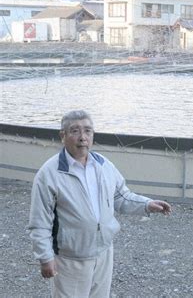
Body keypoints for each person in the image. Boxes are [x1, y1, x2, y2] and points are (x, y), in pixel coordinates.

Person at [28, 110, 171, 298]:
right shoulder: (49, 174)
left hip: (103, 253)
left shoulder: (104, 165)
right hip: (70, 258)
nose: (82, 137)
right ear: (62, 136)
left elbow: (121, 197)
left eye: (88, 131)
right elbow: (40, 222)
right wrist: (45, 258)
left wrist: (147, 204)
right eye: (75, 131)